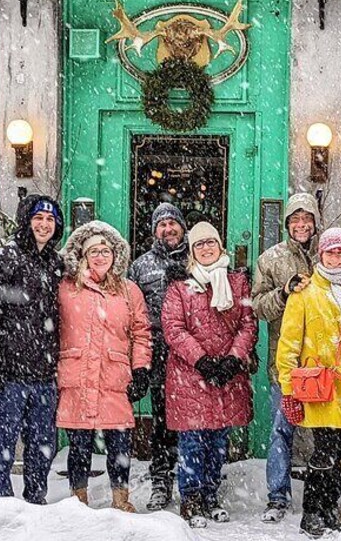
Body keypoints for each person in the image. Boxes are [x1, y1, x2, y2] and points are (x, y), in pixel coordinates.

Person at [276, 228, 341, 538]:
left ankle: (331, 508)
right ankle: (312, 512)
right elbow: (288, 344)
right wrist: (288, 388)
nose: (335, 258)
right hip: (322, 387)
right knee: (323, 452)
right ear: (321, 255)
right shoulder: (305, 292)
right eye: (330, 252)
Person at [0, 195, 65, 504]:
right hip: (6, 376)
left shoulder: (56, 264)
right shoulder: (3, 259)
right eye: (38, 218)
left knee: (41, 449)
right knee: (0, 450)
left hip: (44, 376)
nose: (44, 225)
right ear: (26, 221)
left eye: (50, 220)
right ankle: (1, 512)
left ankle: (35, 506)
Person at [161, 222, 257, 528]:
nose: (205, 248)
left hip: (226, 376)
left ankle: (211, 496)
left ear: (220, 246)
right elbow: (174, 329)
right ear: (191, 251)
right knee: (192, 442)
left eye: (210, 243)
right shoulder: (180, 287)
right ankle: (191, 499)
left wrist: (232, 359)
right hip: (191, 377)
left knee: (217, 442)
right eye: (199, 244)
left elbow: (248, 324)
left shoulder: (237, 282)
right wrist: (201, 361)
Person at [57, 220, 152, 512]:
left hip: (114, 376)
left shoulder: (128, 290)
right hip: (78, 375)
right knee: (80, 443)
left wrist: (140, 369)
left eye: (106, 250)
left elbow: (141, 332)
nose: (100, 256)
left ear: (115, 255)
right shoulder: (65, 288)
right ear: (82, 255)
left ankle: (121, 498)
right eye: (94, 251)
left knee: (119, 442)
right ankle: (78, 499)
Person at [251, 192, 321, 522]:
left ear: (315, 223)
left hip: (323, 363)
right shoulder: (271, 259)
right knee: (282, 429)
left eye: (307, 219)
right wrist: (283, 292)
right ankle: (278, 495)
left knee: (327, 430)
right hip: (287, 363)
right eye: (295, 220)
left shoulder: (330, 254)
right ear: (287, 224)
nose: (301, 225)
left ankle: (324, 493)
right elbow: (259, 308)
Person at [126, 202, 188, 510]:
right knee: (163, 420)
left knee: (192, 420)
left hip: (192, 355)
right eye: (161, 224)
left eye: (173, 223)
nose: (168, 229)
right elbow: (131, 315)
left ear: (182, 227)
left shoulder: (198, 259)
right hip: (159, 353)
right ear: (154, 231)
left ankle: (195, 481)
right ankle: (161, 480)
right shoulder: (140, 266)